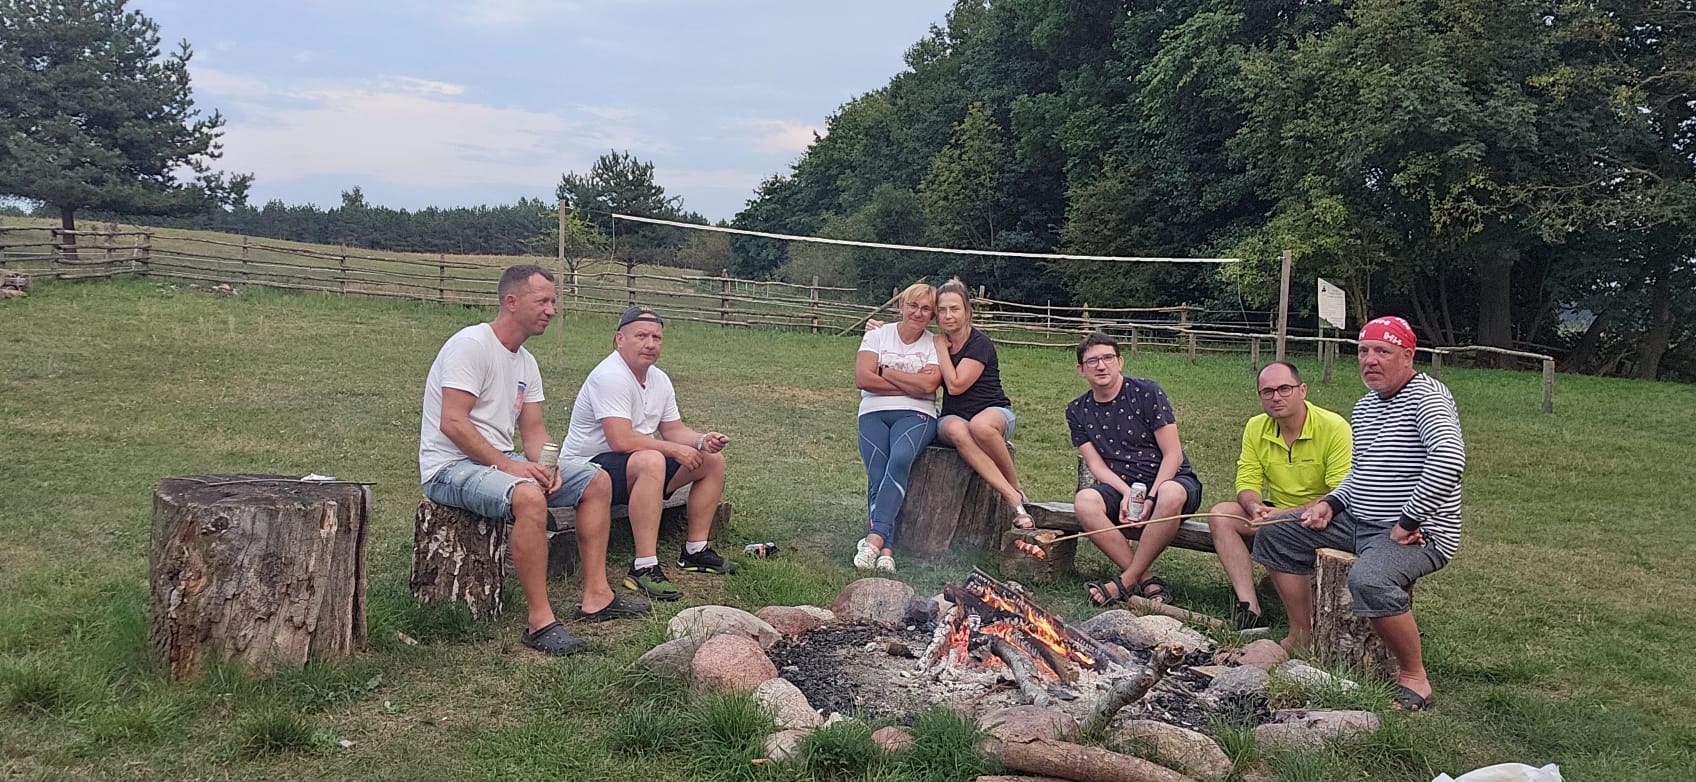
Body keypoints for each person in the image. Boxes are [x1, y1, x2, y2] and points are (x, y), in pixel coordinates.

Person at [419, 264, 648, 657]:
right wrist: (512, 468)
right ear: (511, 301)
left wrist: (548, 466)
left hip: (496, 462)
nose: (551, 310)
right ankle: (539, 622)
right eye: (543, 301)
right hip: (449, 467)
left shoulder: (525, 362)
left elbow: (534, 431)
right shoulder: (471, 345)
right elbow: (453, 423)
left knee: (596, 480)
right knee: (528, 496)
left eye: (553, 302)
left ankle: (597, 596)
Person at [1252, 316, 1465, 711]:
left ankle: (1414, 677)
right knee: (1276, 532)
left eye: (1382, 351)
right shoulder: (1366, 406)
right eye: (1363, 351)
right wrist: (1330, 504)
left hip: (1418, 532)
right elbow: (1360, 473)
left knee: (1369, 580)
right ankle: (1302, 634)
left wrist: (1408, 520)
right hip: (1357, 521)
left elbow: (1449, 460)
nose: (1370, 360)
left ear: (1407, 355)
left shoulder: (1428, 398)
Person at [561, 306, 736, 602]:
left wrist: (701, 440)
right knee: (651, 460)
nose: (650, 344)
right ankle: (643, 565)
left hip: (633, 466)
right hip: (587, 470)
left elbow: (673, 429)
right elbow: (620, 439)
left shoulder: (659, 379)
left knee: (711, 461)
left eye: (656, 337)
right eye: (641, 336)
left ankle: (695, 550)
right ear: (620, 339)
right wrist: (675, 450)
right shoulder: (610, 375)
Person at [1206, 361, 1351, 631]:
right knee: (1221, 515)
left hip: (1323, 516)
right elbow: (1246, 479)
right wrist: (1254, 506)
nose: (1276, 397)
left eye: (1285, 389)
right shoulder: (1256, 426)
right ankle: (1250, 609)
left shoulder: (1334, 427)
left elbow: (1340, 492)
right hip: (1275, 512)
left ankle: (1307, 624)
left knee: (1274, 528)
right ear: (1260, 396)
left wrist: (1281, 515)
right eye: (1268, 391)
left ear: (1302, 390)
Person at [1066, 332, 1203, 606]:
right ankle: (1145, 579)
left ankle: (1126, 581)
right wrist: (1127, 493)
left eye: (1108, 358)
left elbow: (1173, 455)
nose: (1101, 366)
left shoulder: (1147, 392)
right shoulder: (1077, 410)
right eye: (1092, 361)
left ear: (1120, 362)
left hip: (1170, 480)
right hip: (1122, 486)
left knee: (1170, 493)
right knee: (1085, 501)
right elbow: (1096, 465)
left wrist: (1150, 497)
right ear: (1081, 370)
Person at [853, 282, 942, 572]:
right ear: (901, 306)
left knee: (901, 458)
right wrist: (912, 384)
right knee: (877, 472)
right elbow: (863, 379)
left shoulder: (935, 344)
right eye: (913, 305)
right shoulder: (877, 335)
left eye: (926, 308)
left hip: (918, 413)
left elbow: (929, 386)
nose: (918, 313)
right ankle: (886, 549)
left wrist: (884, 370)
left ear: (932, 315)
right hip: (873, 412)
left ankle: (874, 539)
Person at [931, 279, 1030, 529]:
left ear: (967, 310)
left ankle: (1015, 489)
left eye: (954, 309)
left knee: (980, 427)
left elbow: (956, 385)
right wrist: (876, 327)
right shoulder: (931, 341)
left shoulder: (979, 344)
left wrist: (940, 348)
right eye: (942, 310)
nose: (948, 315)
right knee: (957, 429)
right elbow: (903, 332)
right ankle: (1012, 496)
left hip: (994, 412)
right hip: (953, 416)